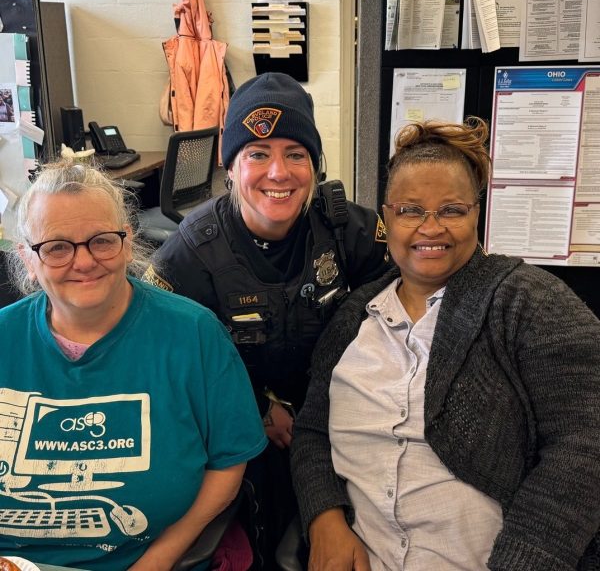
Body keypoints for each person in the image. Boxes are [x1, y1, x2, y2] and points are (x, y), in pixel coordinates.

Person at [290, 117, 600, 571]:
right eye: (411, 210)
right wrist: (325, 518)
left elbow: (586, 440)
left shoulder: (527, 302)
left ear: (477, 213)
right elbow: (312, 431)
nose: (430, 228)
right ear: (386, 217)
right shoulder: (354, 316)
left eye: (452, 210)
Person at [143, 71, 390, 565]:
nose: (279, 173)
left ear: (315, 166)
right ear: (230, 167)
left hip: (339, 411)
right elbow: (166, 363)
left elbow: (420, 290)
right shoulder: (190, 254)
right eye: (258, 153)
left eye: (295, 154)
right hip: (238, 422)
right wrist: (256, 409)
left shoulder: (348, 229)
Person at [0, 162, 267, 571]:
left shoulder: (193, 334)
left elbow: (229, 462)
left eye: (102, 241)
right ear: (28, 259)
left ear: (127, 241)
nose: (84, 262)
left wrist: (155, 562)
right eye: (56, 247)